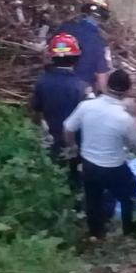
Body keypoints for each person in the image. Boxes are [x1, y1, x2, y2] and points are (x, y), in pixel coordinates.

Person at [63, 69, 136, 239]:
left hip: (88, 163)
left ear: (107, 85)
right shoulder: (124, 118)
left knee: (93, 198)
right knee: (129, 196)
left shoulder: (87, 106)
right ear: (127, 90)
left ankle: (95, 233)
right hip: (113, 167)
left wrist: (73, 147)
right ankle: (130, 232)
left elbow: (68, 127)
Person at [29, 33, 92, 194]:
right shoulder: (81, 87)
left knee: (50, 177)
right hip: (74, 143)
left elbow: (35, 113)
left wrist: (42, 127)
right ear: (76, 58)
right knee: (74, 180)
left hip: (50, 140)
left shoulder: (42, 81)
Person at [54, 0, 113, 93]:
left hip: (55, 82)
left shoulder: (65, 28)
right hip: (79, 91)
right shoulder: (99, 42)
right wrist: (105, 96)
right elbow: (102, 76)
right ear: (103, 18)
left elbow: (47, 53)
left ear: (85, 12)